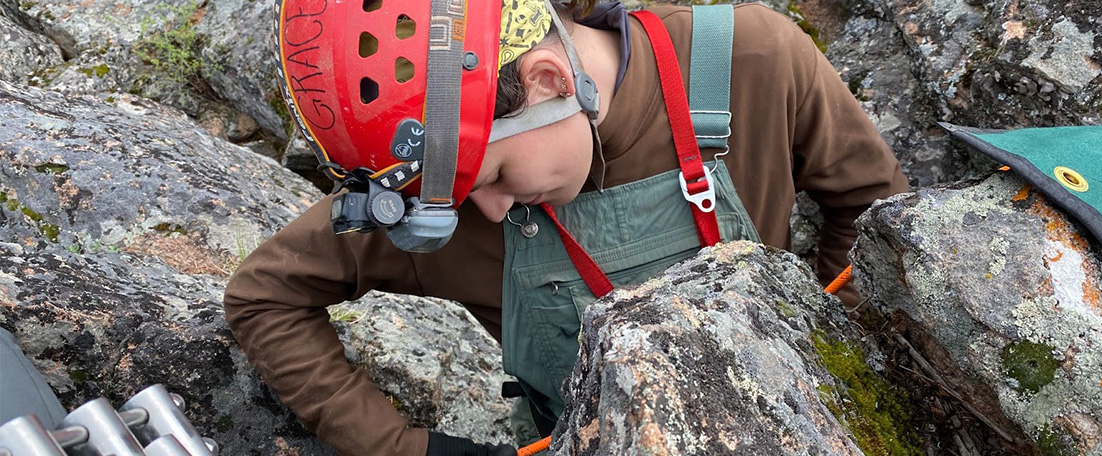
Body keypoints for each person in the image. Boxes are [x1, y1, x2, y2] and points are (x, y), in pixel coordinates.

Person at [224, 0, 909, 455]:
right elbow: (264, 296)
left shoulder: (753, 62)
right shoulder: (436, 195)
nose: (485, 211)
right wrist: (409, 449)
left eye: (489, 177)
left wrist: (832, 358)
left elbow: (879, 215)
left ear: (549, 80)